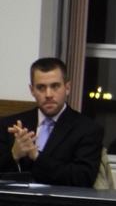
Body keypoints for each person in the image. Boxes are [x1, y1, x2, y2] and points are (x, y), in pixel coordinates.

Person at [0, 57, 103, 187]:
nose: (48, 94)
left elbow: (83, 178)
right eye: (41, 87)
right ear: (32, 90)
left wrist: (36, 156)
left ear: (67, 88)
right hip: (14, 200)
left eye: (55, 86)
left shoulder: (87, 129)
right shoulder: (10, 125)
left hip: (60, 200)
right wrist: (14, 155)